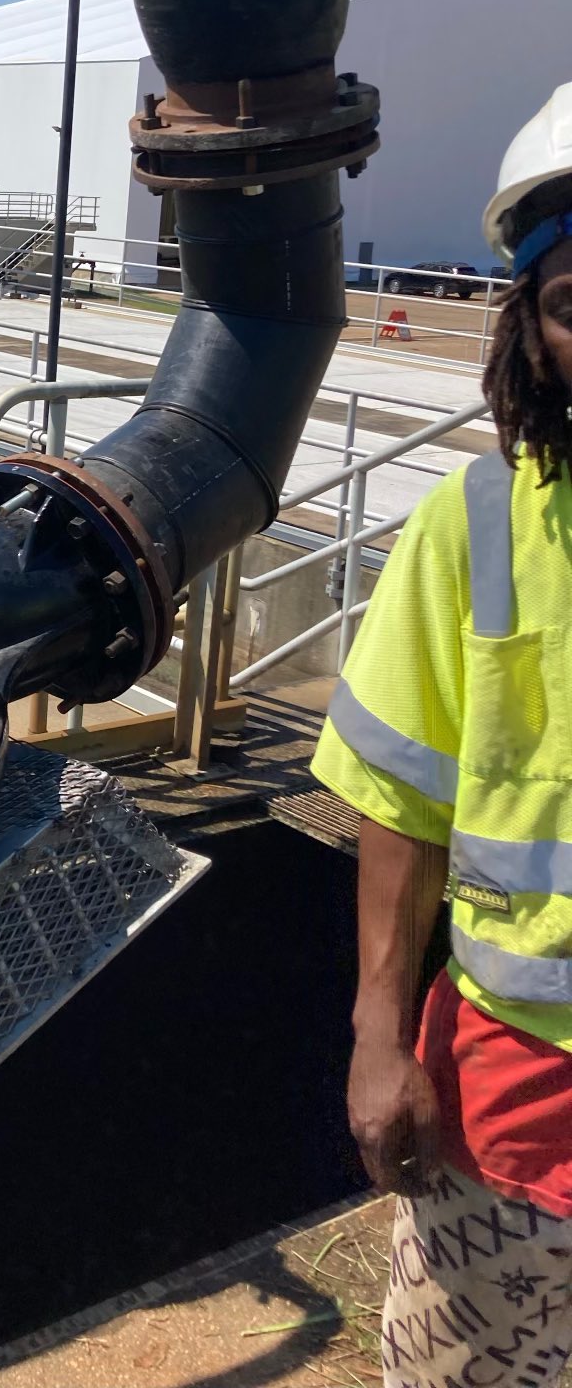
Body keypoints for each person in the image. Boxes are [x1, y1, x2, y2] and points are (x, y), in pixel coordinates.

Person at [312, 84, 572, 1388]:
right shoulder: (473, 529)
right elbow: (402, 806)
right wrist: (377, 1032)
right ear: (531, 321)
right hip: (519, 1107)